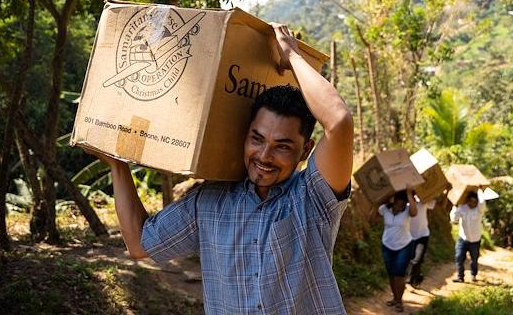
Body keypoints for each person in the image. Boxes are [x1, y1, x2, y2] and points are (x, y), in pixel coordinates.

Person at [87, 24, 354, 314]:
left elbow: (338, 122)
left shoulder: (313, 197)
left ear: (305, 150)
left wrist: (290, 55)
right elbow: (139, 244)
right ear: (245, 134)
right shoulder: (209, 201)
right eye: (257, 139)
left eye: (282, 146)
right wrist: (117, 164)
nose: (264, 155)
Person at [378, 187, 417, 313]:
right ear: (393, 201)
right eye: (397, 204)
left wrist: (409, 194)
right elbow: (372, 216)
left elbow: (414, 212)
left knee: (399, 275)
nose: (399, 207)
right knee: (391, 274)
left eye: (402, 205)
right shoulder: (384, 209)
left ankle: (399, 302)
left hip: (404, 246)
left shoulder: (407, 211)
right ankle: (395, 298)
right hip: (387, 245)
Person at [450, 188, 486, 283]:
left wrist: (479, 190)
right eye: (471, 201)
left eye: (475, 201)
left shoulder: (479, 209)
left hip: (475, 240)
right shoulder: (462, 208)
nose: (473, 203)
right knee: (459, 257)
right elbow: (454, 219)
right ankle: (460, 277)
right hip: (463, 239)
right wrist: (455, 205)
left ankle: (473, 275)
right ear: (468, 200)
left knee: (474, 259)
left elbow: (482, 202)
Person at [406, 195, 436, 288]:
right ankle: (417, 277)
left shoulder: (423, 202)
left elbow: (433, 203)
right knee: (411, 258)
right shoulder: (405, 206)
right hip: (408, 236)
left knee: (417, 258)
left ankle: (410, 280)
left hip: (422, 235)